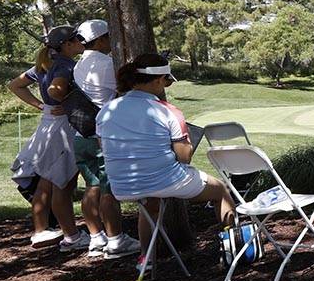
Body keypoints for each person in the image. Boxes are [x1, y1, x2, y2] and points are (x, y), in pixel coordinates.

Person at [97, 54, 236, 251]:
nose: (167, 86)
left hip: (121, 185)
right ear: (158, 80)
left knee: (150, 205)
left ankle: (146, 260)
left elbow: (104, 147)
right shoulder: (168, 111)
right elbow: (184, 157)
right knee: (220, 190)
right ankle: (236, 247)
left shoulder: (106, 110)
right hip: (166, 180)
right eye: (167, 81)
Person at [7, 26, 88, 250]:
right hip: (62, 128)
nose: (82, 41)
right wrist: (63, 101)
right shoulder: (64, 64)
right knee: (62, 182)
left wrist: (42, 106)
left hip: (48, 124)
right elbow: (56, 88)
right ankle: (72, 236)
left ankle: (41, 230)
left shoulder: (45, 63)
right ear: (67, 44)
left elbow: (15, 85)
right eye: (77, 39)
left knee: (46, 181)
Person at [72, 19, 141, 257]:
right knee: (108, 189)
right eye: (108, 37)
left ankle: (95, 237)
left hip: (80, 134)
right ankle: (115, 239)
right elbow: (127, 89)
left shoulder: (78, 65)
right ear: (100, 40)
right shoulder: (107, 64)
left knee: (92, 185)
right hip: (103, 133)